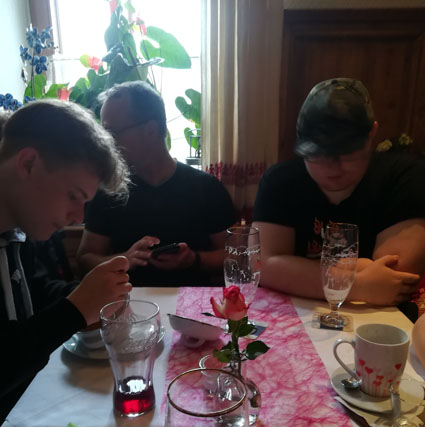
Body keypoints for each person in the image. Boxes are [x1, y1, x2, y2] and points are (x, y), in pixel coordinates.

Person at [0, 100, 132, 423]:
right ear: (28, 164)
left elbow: (34, 294)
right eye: (73, 196)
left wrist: (92, 294)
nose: (78, 217)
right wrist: (75, 310)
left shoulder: (19, 231)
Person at [253, 77, 425, 309]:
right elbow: (262, 265)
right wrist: (357, 284)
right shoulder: (279, 180)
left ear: (371, 135)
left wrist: (291, 269)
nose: (332, 168)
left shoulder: (405, 176)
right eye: (317, 155)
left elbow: (394, 277)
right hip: (295, 317)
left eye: (346, 154)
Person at [77, 81, 236, 287]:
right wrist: (125, 259)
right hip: (126, 303)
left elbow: (236, 256)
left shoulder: (206, 188)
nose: (106, 143)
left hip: (192, 304)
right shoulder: (109, 190)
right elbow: (85, 260)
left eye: (112, 133)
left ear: (150, 130)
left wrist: (194, 259)